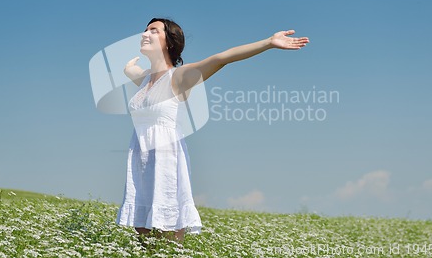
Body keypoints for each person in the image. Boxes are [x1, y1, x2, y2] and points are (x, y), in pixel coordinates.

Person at [116, 18, 309, 243]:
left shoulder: (179, 77)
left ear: (169, 42)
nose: (144, 34)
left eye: (153, 31)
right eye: (145, 30)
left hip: (165, 161)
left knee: (167, 232)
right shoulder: (144, 80)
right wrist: (128, 68)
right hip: (141, 161)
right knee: (143, 234)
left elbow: (222, 58)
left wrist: (268, 42)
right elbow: (134, 72)